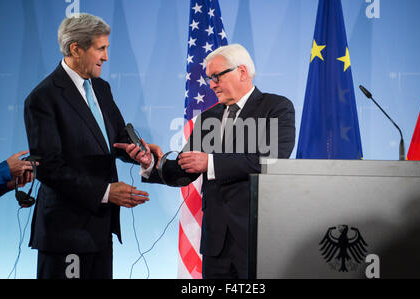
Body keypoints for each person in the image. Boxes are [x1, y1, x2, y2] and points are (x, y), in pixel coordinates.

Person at [115, 44, 296, 278]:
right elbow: (186, 168)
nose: (211, 84)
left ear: (241, 72)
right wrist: (150, 162)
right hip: (216, 245)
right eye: (209, 78)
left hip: (258, 237)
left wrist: (210, 163)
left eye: (216, 76)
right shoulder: (208, 118)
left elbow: (271, 158)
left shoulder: (276, 107)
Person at [24, 13, 156, 279]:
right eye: (101, 48)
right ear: (76, 48)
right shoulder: (43, 97)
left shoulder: (101, 87)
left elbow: (116, 138)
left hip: (99, 227)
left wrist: (138, 153)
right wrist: (106, 191)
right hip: (65, 232)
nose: (106, 57)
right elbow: (48, 168)